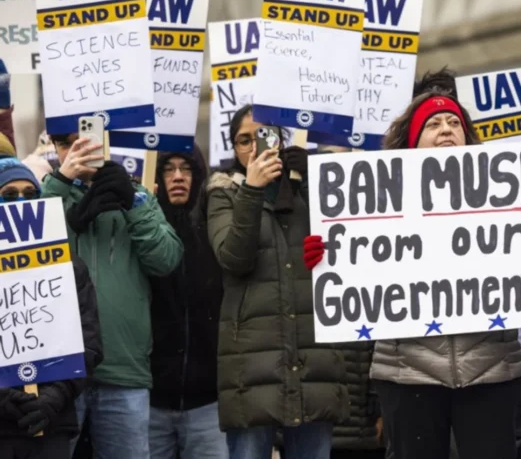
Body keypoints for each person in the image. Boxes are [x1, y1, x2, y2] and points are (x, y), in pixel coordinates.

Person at [303, 83, 521, 459]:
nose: (446, 128)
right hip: (407, 370)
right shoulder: (378, 200)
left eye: (453, 122)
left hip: (491, 367)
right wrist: (327, 258)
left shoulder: (508, 196)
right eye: (433, 124)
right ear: (413, 141)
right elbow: (354, 278)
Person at [206, 105, 348, 459]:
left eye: (264, 136)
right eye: (243, 140)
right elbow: (234, 258)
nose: (254, 146)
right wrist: (253, 191)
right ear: (234, 150)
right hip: (251, 368)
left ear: (282, 140)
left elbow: (353, 250)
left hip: (312, 359)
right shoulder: (224, 193)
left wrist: (314, 180)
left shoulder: (311, 190)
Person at [43, 134, 183, 459]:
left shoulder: (136, 196)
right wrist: (62, 182)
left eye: (85, 142)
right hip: (59, 374)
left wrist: (132, 200)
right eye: (65, 143)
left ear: (103, 144)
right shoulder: (48, 194)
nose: (77, 151)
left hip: (123, 369)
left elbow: (166, 259)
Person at [0, 156, 102, 459]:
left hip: (50, 425)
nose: (20, 201)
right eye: (8, 195)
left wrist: (52, 398)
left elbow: (89, 345)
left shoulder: (69, 267)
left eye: (30, 195)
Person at [148, 146, 227, 459]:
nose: (178, 176)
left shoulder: (216, 230)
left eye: (186, 168)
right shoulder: (142, 232)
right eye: (168, 168)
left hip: (208, 403)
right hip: (151, 401)